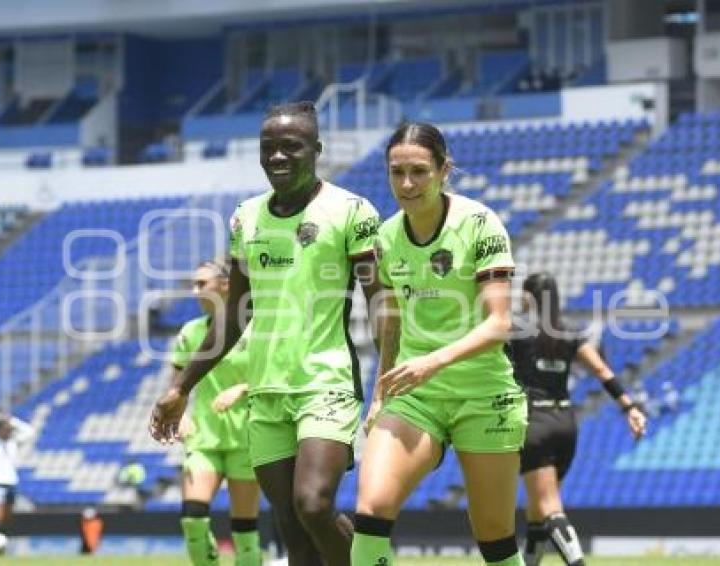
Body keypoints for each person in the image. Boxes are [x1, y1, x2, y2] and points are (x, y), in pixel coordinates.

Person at [151, 101, 382, 566]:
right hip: (267, 392)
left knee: (313, 505)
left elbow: (382, 305)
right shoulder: (246, 218)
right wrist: (181, 388)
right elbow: (233, 315)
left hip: (326, 382)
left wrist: (388, 382)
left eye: (290, 147)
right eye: (268, 148)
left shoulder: (351, 211)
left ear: (315, 150)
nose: (277, 156)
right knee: (295, 536)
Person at [353, 122, 527, 565]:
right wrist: (379, 395)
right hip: (415, 397)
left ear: (444, 170)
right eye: (397, 172)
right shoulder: (386, 238)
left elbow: (499, 324)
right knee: (371, 508)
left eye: (419, 171)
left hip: (483, 394)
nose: (407, 184)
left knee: (495, 538)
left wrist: (434, 361)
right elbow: (391, 325)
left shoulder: (480, 224)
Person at [510, 273, 647, 566]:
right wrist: (630, 407)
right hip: (566, 424)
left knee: (549, 507)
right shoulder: (570, 334)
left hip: (535, 423)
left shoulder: (517, 333)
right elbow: (602, 371)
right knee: (537, 511)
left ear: (530, 297)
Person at [173, 261, 262, 566]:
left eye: (202, 283)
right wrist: (180, 414)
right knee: (193, 520)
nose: (195, 290)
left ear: (225, 285)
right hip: (204, 436)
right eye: (193, 284)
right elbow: (177, 383)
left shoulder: (256, 327)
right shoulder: (189, 332)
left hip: (247, 438)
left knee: (244, 532)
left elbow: (279, 374)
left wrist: (241, 389)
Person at [0, 409, 35, 554]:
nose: (9, 431)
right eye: (6, 429)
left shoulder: (13, 443)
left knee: (6, 518)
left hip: (12, 483)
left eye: (9, 429)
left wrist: (13, 421)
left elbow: (30, 432)